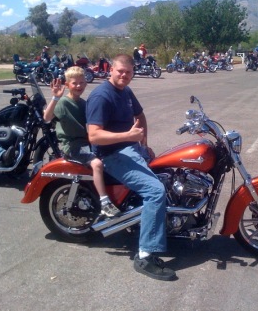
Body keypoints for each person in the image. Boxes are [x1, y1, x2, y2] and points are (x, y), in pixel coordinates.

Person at [86, 53, 176, 281]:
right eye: (120, 72)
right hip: (112, 154)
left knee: (169, 174)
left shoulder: (125, 91)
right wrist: (129, 135)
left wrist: (144, 143)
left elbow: (140, 115)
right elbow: (94, 136)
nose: (124, 76)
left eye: (128, 72)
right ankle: (145, 254)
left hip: (130, 148)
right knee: (155, 191)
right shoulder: (101, 96)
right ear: (111, 70)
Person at [43, 66, 119, 217]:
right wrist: (55, 97)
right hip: (72, 146)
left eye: (82, 83)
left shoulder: (84, 103)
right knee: (96, 164)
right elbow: (47, 118)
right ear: (67, 84)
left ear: (86, 84)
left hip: (85, 144)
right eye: (74, 83)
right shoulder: (64, 103)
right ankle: (105, 202)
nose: (78, 86)